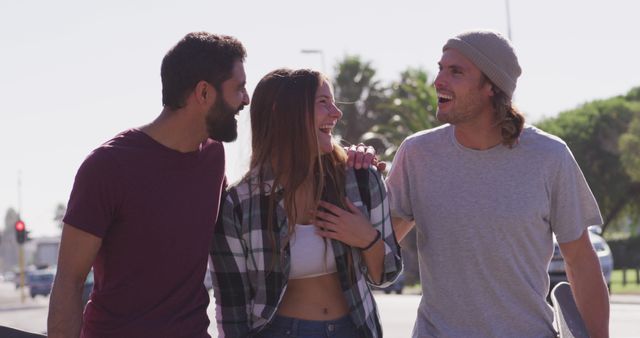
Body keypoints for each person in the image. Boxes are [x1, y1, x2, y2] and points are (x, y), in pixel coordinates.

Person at [386, 29, 609, 337]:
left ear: (491, 86)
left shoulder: (549, 156)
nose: (438, 80)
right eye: (440, 68)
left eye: (455, 71)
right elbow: (379, 247)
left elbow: (581, 261)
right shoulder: (417, 154)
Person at [48, 32, 250, 338]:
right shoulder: (107, 167)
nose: (246, 99)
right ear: (204, 94)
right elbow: (69, 282)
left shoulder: (213, 157)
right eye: (239, 88)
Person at [210, 68, 402, 338]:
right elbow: (232, 309)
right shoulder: (239, 204)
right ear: (281, 112)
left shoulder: (361, 179)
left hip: (354, 329)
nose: (336, 113)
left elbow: (386, 274)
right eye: (323, 102)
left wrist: (366, 238)